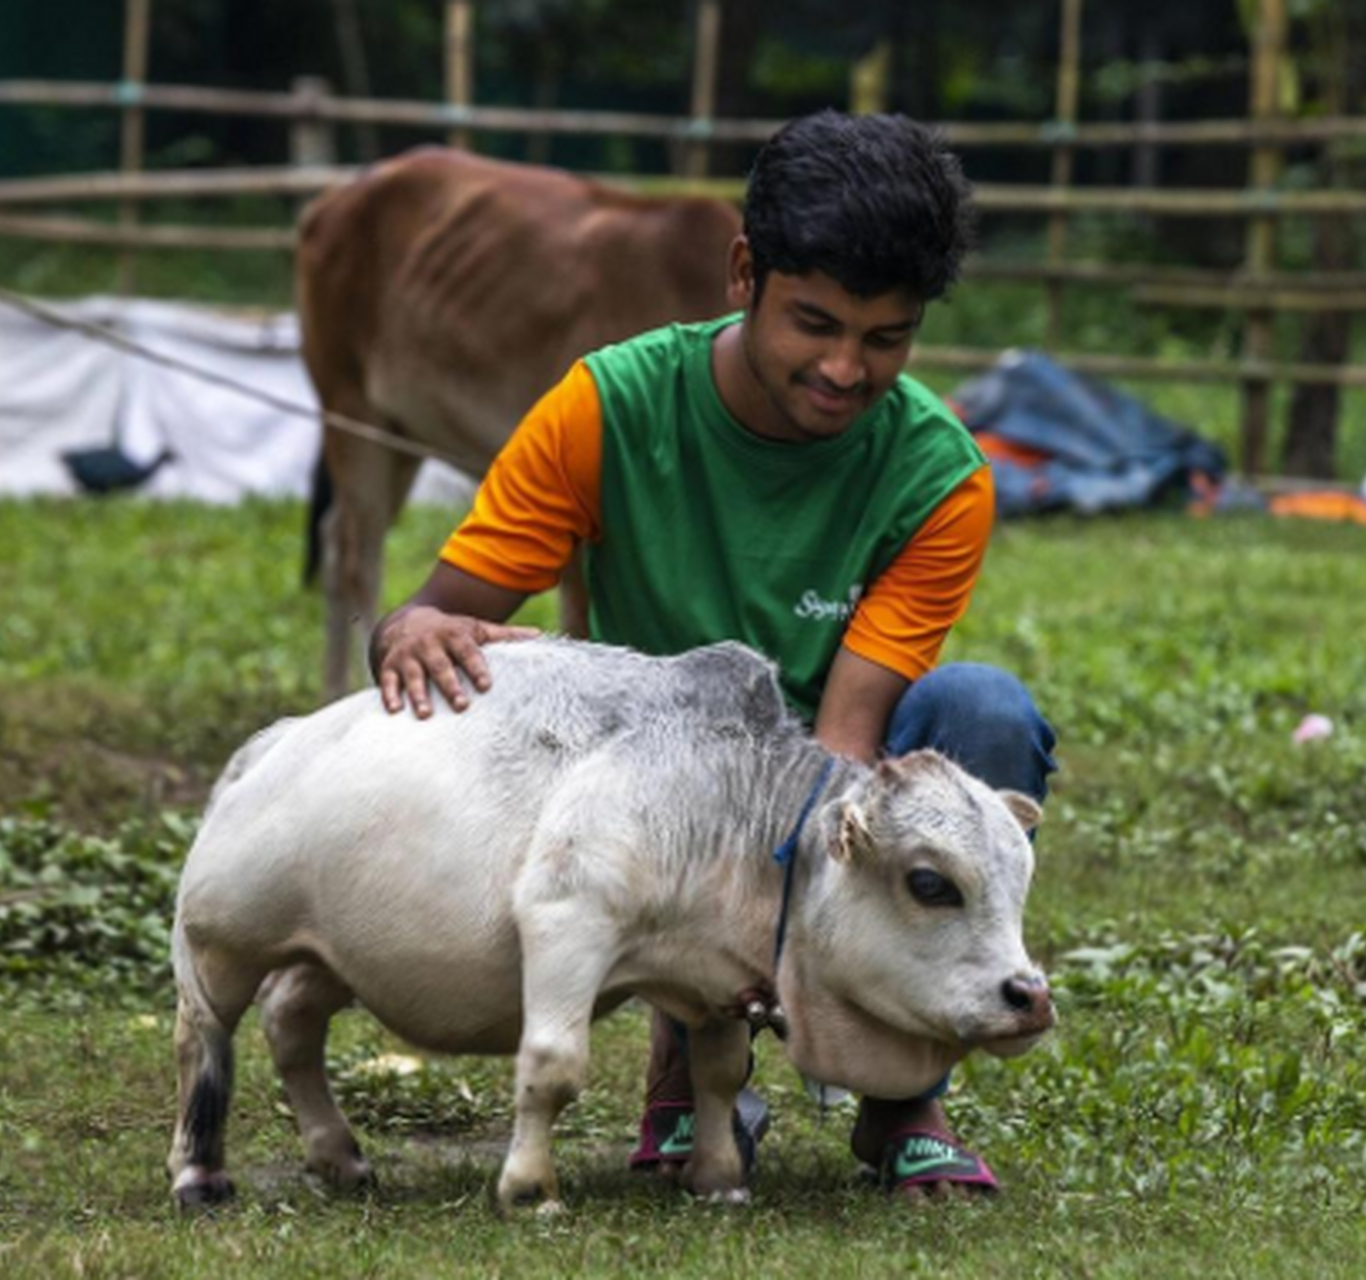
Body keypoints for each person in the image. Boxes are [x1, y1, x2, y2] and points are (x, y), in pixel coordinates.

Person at [370, 109, 1056, 1198]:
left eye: (885, 339)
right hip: (650, 785)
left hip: (825, 775)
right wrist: (412, 631)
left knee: (982, 714)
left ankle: (899, 1101)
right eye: (814, 322)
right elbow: (435, 615)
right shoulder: (605, 407)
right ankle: (683, 1064)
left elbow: (838, 751)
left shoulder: (940, 474)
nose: (843, 367)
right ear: (744, 272)